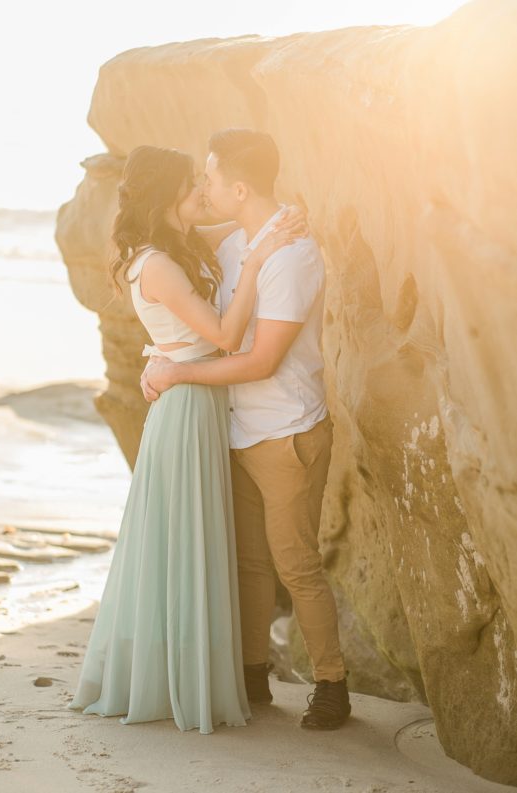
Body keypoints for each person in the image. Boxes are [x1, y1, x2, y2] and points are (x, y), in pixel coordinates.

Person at [68, 144, 303, 734]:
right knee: (181, 538)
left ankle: (187, 668)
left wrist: (264, 224)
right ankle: (172, 678)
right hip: (186, 406)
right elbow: (225, 334)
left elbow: (229, 220)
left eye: (207, 179)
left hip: (197, 401)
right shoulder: (157, 264)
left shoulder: (179, 245)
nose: (204, 188)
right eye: (193, 182)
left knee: (192, 537)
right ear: (168, 193)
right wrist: (258, 259)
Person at [141, 128, 351, 731]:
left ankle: (332, 685)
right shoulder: (240, 240)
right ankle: (253, 673)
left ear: (239, 186)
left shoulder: (291, 255)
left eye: (209, 179)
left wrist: (175, 372)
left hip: (285, 432)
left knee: (296, 565)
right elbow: (166, 239)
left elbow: (261, 361)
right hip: (236, 428)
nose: (203, 190)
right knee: (251, 565)